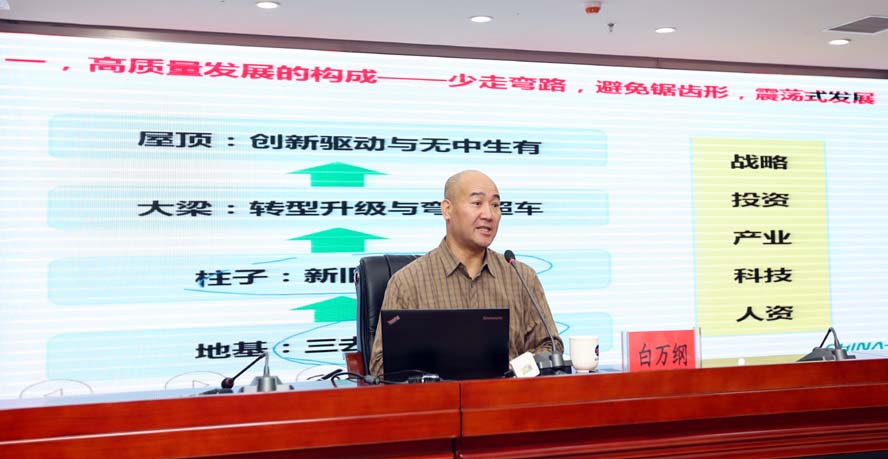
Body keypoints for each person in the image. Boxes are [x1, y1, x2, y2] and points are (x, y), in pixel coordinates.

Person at [368, 170, 563, 376]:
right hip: (439, 396)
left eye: (495, 205)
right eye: (477, 203)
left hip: (508, 394)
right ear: (447, 209)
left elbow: (550, 347)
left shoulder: (521, 277)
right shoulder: (408, 282)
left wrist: (514, 368)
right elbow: (380, 367)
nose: (488, 215)